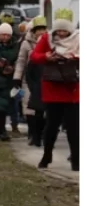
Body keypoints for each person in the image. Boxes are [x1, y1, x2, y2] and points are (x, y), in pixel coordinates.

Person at [32, 11, 79, 170]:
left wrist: (74, 58)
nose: (61, 34)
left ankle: (76, 160)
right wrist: (47, 57)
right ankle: (47, 156)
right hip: (52, 88)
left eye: (64, 31)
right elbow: (34, 56)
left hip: (72, 88)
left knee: (74, 128)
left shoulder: (78, 39)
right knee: (51, 126)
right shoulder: (47, 38)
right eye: (58, 31)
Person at [14, 16, 48, 148]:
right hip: (29, 79)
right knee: (29, 108)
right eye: (38, 29)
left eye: (43, 29)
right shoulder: (26, 43)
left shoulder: (49, 41)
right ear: (33, 30)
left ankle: (42, 135)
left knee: (43, 109)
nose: (41, 32)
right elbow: (21, 60)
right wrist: (17, 77)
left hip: (45, 78)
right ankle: (33, 134)